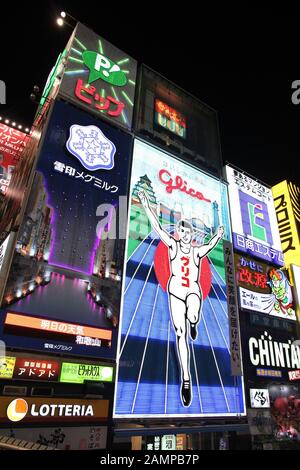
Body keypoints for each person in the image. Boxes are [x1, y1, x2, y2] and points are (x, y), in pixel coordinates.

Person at [138, 189, 224, 407]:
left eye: (188, 232)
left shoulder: (196, 252)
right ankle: (186, 378)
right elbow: (157, 228)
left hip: (193, 291)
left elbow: (210, 246)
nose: (186, 235)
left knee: (193, 314)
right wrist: (147, 206)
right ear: (178, 232)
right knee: (180, 333)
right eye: (182, 231)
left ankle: (194, 320)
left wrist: (218, 235)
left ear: (191, 233)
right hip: (175, 291)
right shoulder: (173, 246)